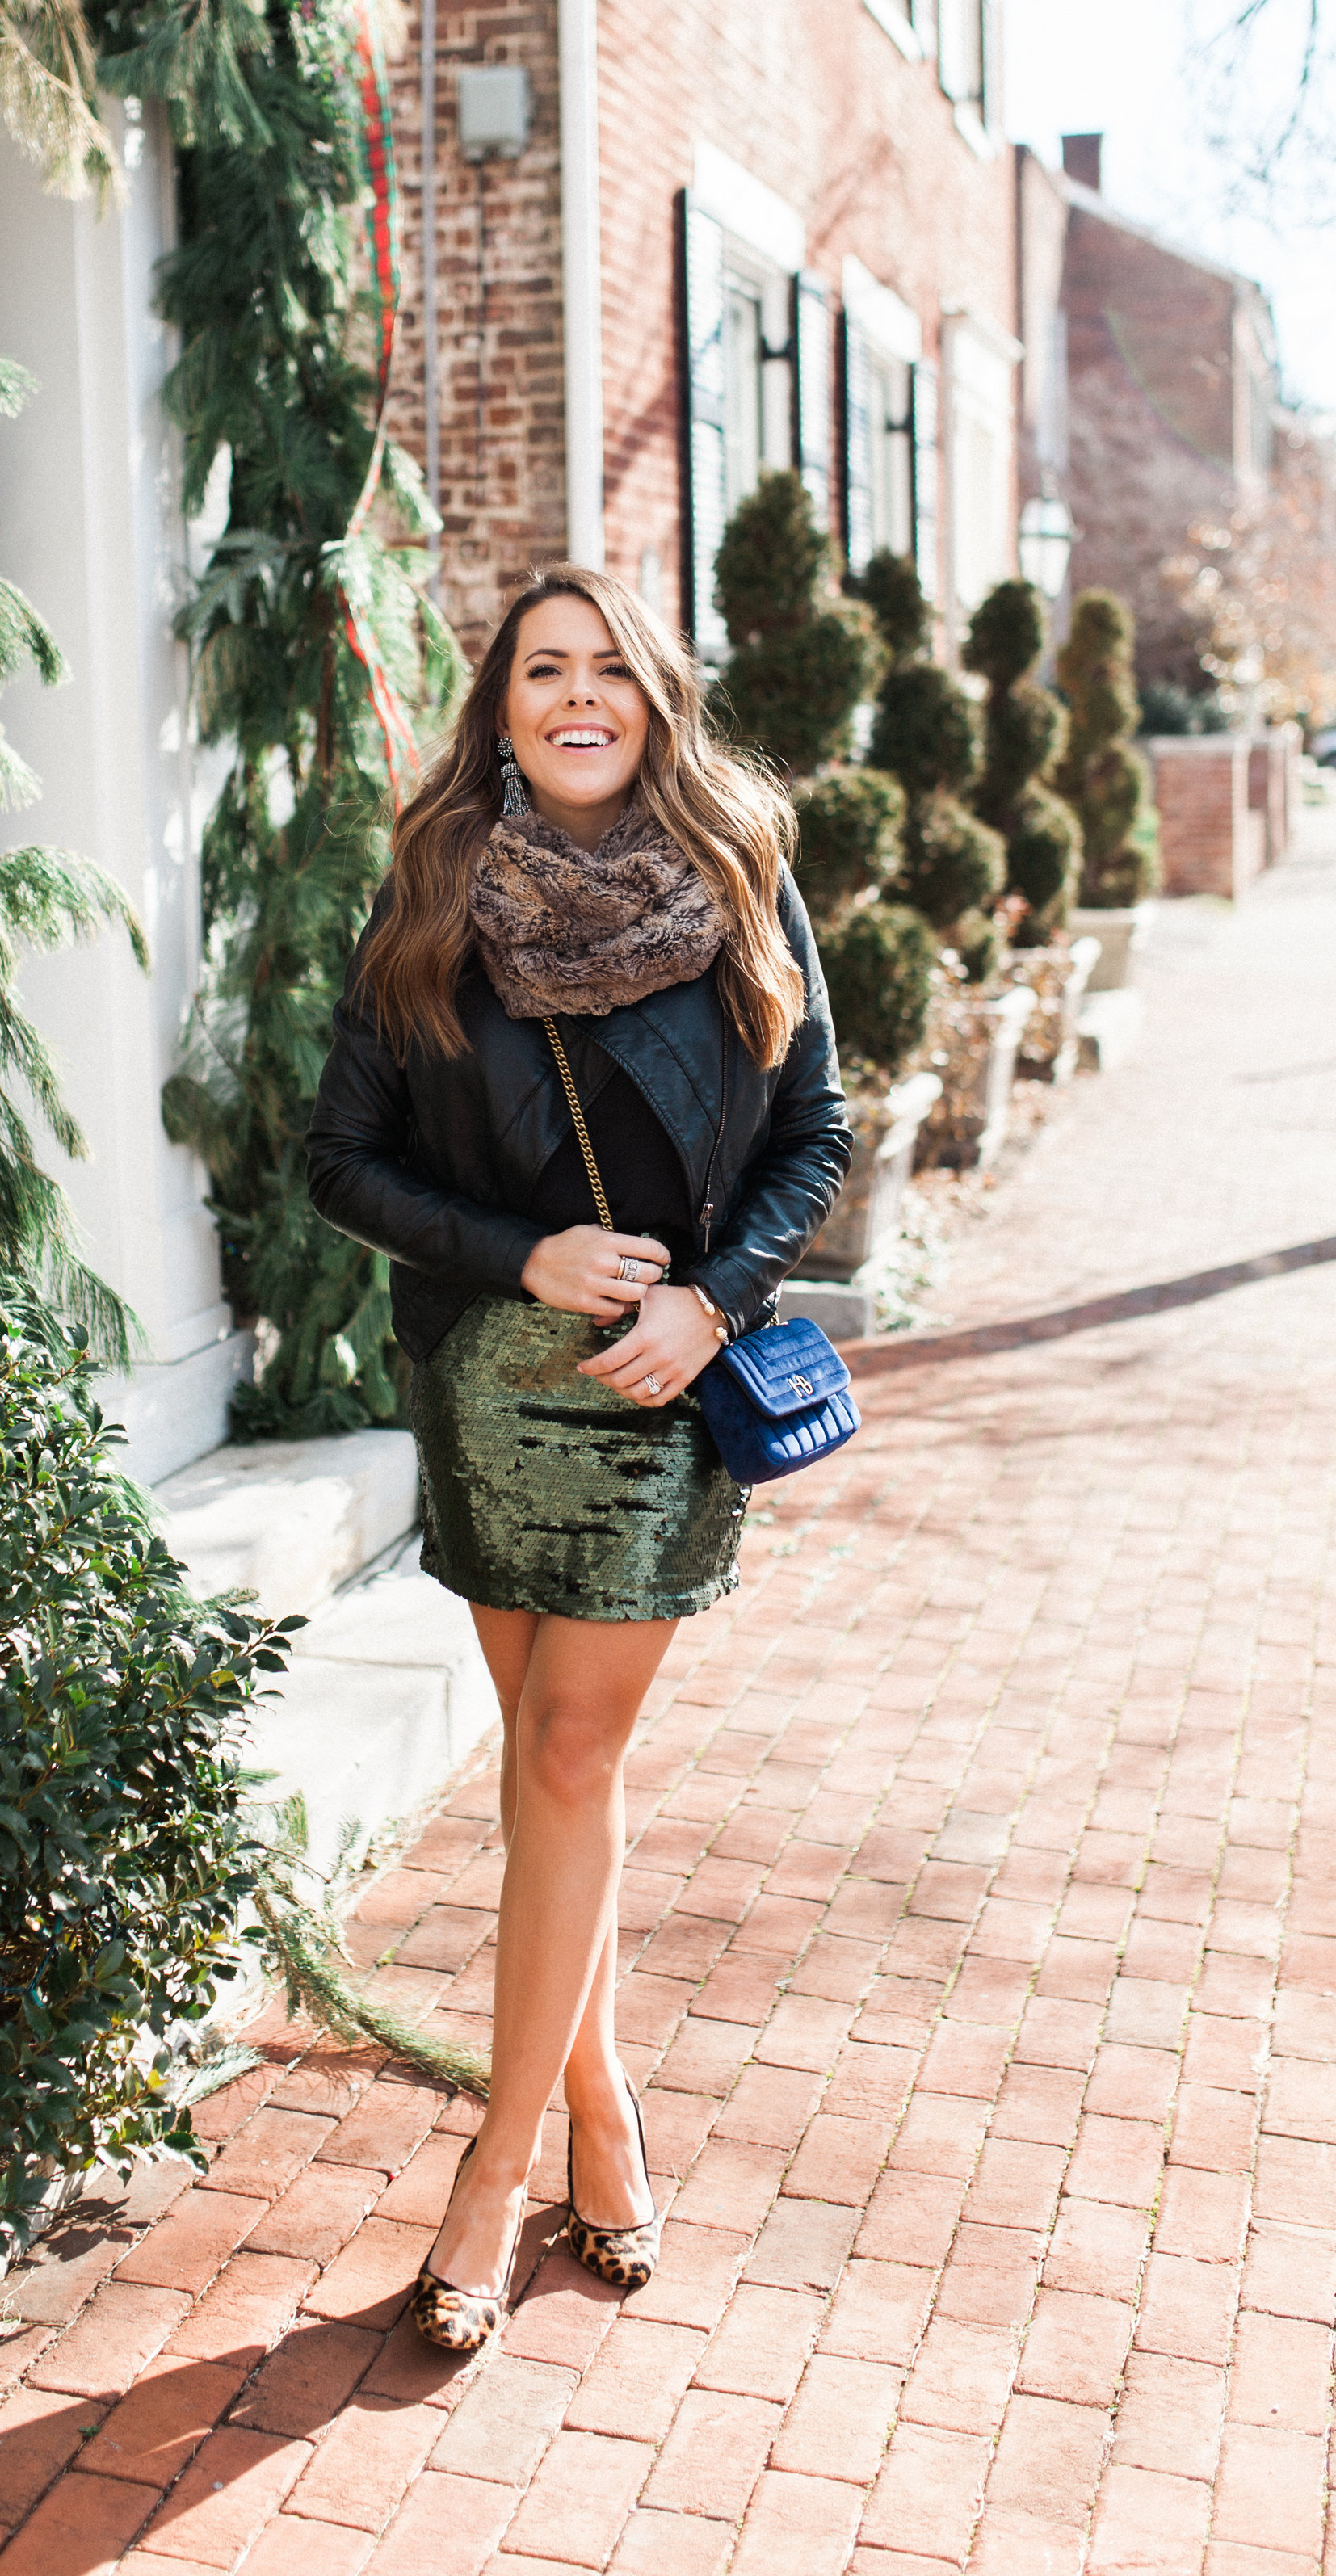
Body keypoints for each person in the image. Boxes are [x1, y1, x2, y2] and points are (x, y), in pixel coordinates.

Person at [305, 565, 850, 2351]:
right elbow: (339, 1156)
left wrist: (713, 1298)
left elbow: (812, 1134)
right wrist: (508, 1250)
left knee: (563, 1746)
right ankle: (602, 2114)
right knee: (562, 1794)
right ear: (502, 704)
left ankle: (490, 2170)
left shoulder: (743, 869)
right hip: (483, 1376)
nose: (576, 695)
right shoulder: (432, 892)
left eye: (608, 666)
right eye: (544, 669)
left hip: (654, 1392)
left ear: (657, 692)